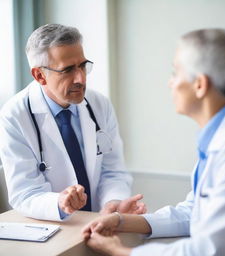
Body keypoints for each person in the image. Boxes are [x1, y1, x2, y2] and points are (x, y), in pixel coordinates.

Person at [81, 28, 225, 255]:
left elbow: (207, 249)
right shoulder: (221, 138)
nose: (170, 83)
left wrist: (121, 252)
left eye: (175, 73)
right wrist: (121, 220)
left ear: (200, 85)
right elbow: (193, 213)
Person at [0, 24, 146, 221]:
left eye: (83, 66)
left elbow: (113, 171)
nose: (81, 78)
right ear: (39, 75)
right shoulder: (14, 116)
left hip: (100, 222)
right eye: (68, 70)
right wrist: (59, 203)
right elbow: (24, 193)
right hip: (54, 229)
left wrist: (113, 202)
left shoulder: (99, 105)